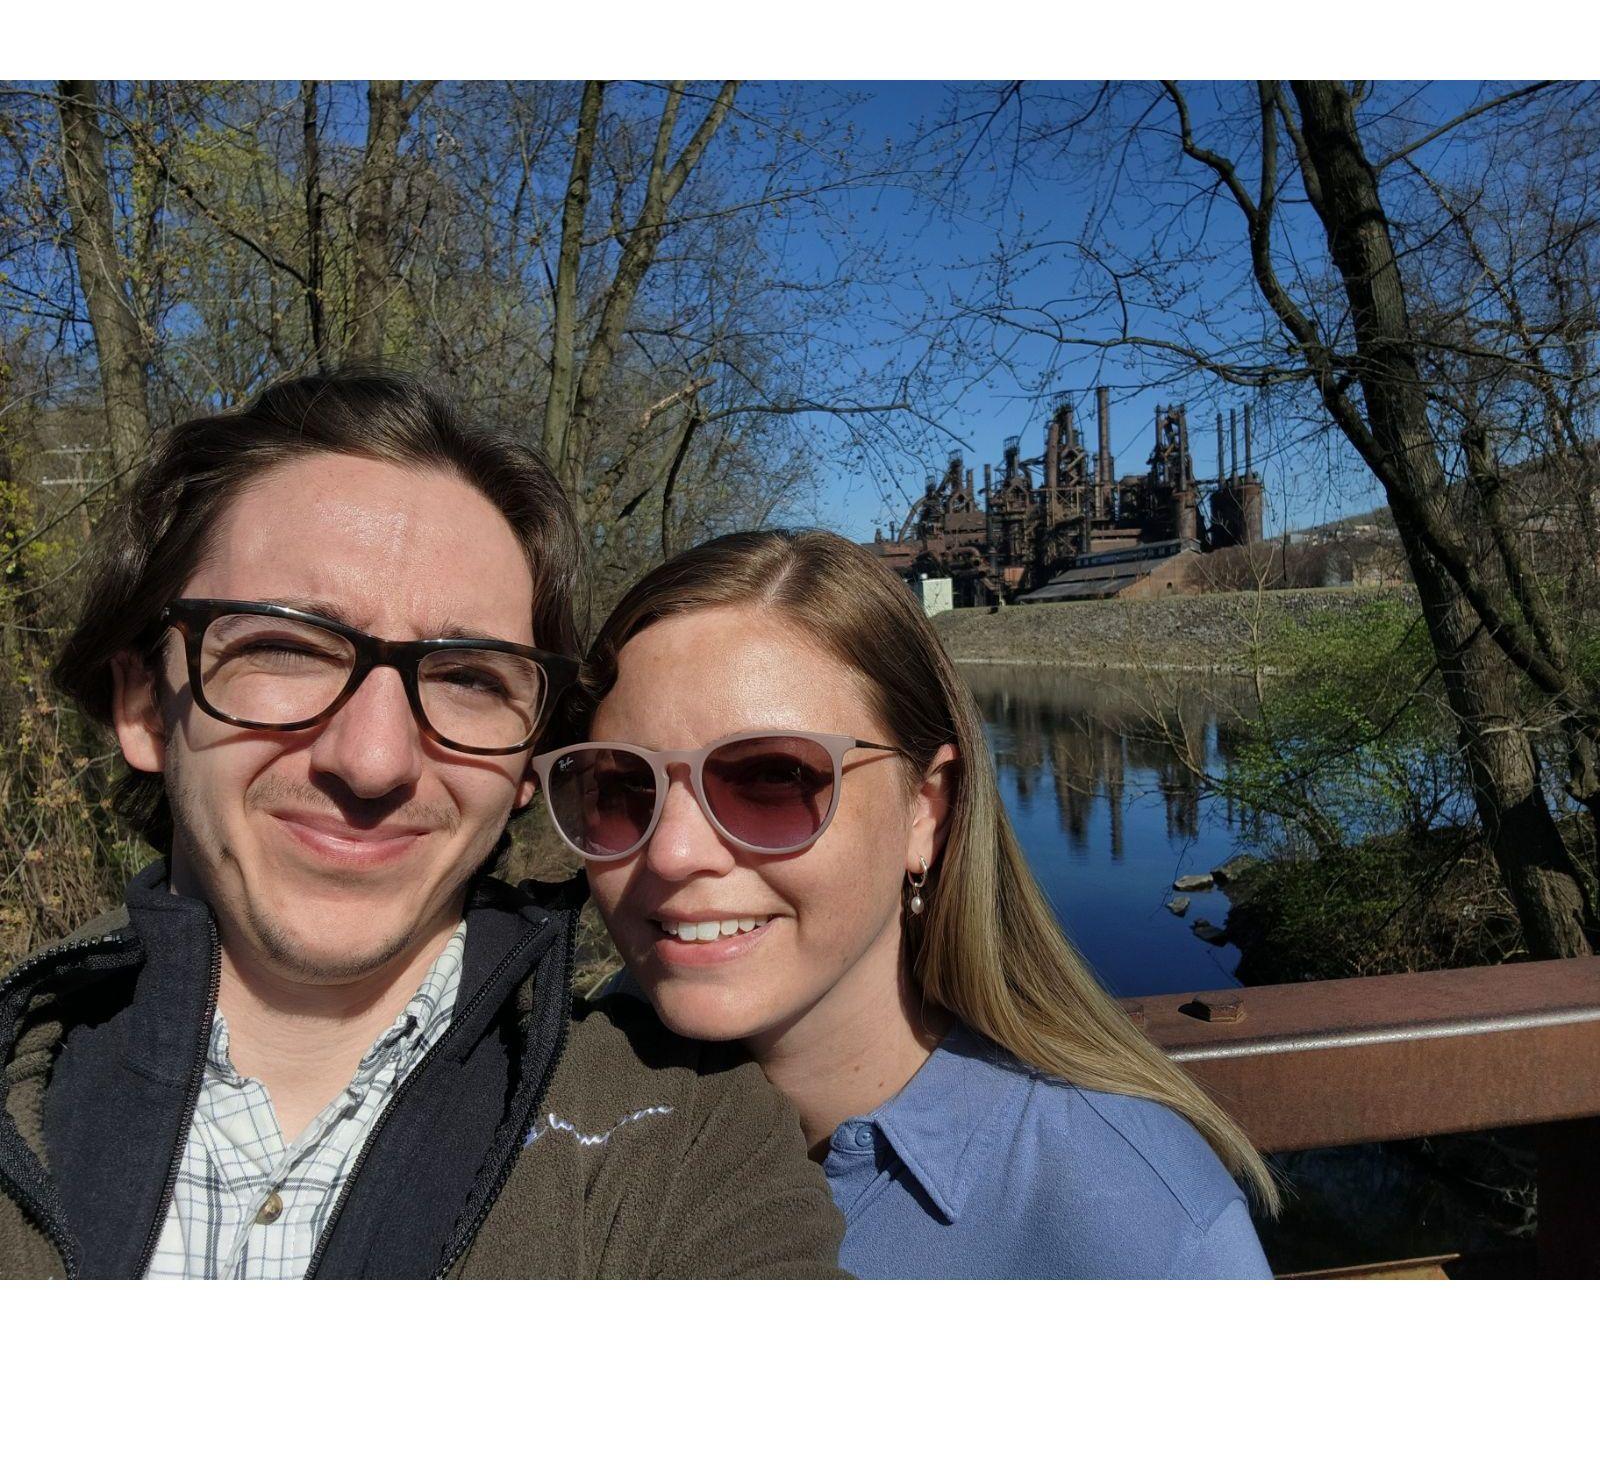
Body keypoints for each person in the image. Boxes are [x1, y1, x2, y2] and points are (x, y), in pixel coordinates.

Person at [0, 372, 843, 1280]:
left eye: (470, 679)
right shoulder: (26, 1079)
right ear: (144, 709)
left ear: (528, 764)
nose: (373, 761)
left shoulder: (676, 1146)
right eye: (283, 647)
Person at [538, 528, 1279, 1278]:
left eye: (769, 778)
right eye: (621, 786)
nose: (673, 852)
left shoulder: (1136, 1232)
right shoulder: (547, 1112)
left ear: (925, 809)